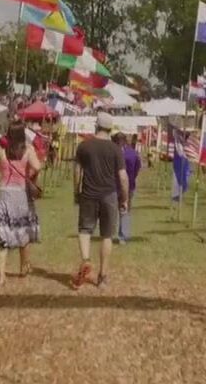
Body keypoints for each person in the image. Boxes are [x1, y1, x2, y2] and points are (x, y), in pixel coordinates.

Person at [72, 112, 128, 289]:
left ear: (96, 126)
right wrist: (124, 199)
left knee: (85, 229)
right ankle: (103, 277)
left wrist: (76, 191)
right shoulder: (115, 149)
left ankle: (86, 259)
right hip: (109, 195)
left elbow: (77, 172)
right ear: (110, 129)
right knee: (106, 235)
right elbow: (123, 177)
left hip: (88, 193)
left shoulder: (84, 146)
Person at [0, 122, 42, 286]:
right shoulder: (28, 150)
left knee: (2, 233)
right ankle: (23, 267)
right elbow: (38, 166)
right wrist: (29, 174)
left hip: (4, 193)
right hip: (20, 194)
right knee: (23, 230)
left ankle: (2, 275)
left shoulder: (2, 152)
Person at [116, 131, 142, 243]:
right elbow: (138, 168)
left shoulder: (115, 152)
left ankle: (109, 234)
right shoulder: (133, 153)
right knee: (125, 210)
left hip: (115, 185)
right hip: (129, 185)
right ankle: (123, 236)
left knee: (113, 210)